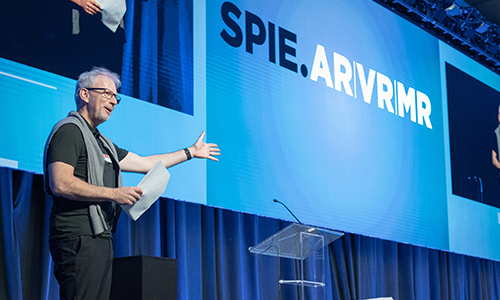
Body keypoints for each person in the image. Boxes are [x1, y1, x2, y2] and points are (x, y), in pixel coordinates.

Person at [43, 67, 220, 300]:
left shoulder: (103, 143)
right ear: (84, 94)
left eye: (116, 96)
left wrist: (190, 152)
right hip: (78, 237)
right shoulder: (69, 131)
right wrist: (114, 194)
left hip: (100, 236)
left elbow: (147, 163)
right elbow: (61, 183)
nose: (113, 101)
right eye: (106, 93)